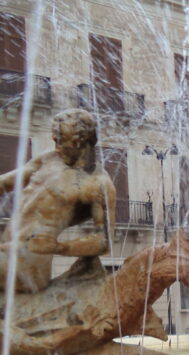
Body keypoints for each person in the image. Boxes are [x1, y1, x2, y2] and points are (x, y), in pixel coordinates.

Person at [0, 108, 113, 293]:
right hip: (6, 251)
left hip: (28, 265)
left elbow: (104, 240)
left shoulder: (98, 182)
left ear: (82, 143)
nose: (55, 142)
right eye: (56, 137)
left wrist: (61, 247)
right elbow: (5, 183)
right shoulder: (49, 159)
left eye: (62, 138)